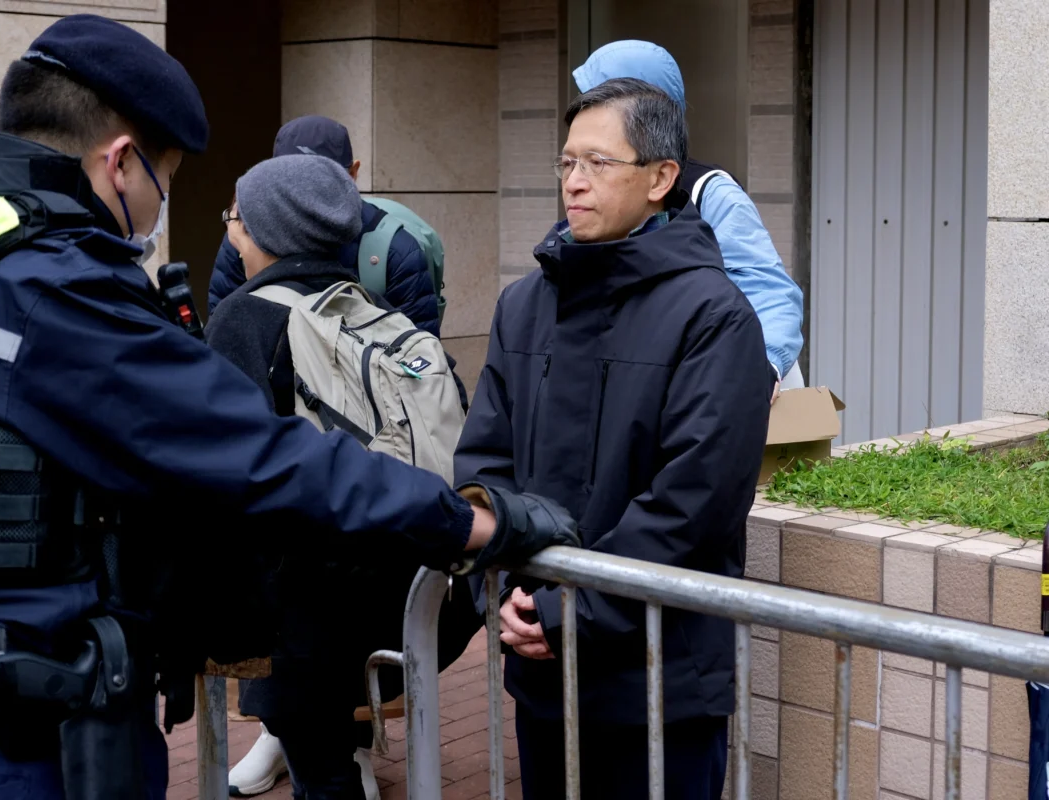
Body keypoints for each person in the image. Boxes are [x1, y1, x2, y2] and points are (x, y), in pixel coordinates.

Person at [0, 15, 578, 800]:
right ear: (121, 160)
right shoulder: (51, 285)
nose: (160, 208)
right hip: (20, 720)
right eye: (164, 181)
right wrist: (475, 523)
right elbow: (263, 457)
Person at [454, 78, 772, 799]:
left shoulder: (714, 318)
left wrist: (572, 610)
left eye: (599, 164)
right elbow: (484, 461)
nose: (575, 182)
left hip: (660, 681)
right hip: (542, 671)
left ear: (661, 178)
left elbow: (695, 504)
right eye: (567, 163)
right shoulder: (524, 305)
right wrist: (502, 591)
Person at [206, 155, 468, 799]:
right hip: (405, 594)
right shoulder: (372, 310)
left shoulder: (246, 318)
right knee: (327, 768)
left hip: (304, 614)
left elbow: (226, 476)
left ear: (266, 230)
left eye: (235, 218)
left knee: (320, 777)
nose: (230, 233)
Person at [574, 40, 805, 400]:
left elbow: (765, 286)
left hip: (740, 392)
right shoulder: (596, 193)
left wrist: (760, 366)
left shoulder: (710, 192)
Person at [207, 117, 442, 337]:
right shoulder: (245, 238)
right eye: (293, 182)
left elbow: (418, 364)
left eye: (324, 181)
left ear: (353, 174)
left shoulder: (395, 251)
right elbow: (224, 336)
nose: (308, 197)